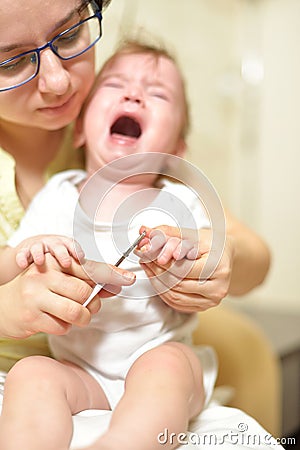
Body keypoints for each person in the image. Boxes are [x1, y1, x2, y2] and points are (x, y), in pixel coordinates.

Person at [0, 39, 222, 450]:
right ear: (80, 130)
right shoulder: (58, 194)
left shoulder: (180, 202)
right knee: (31, 372)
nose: (134, 94)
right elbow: (7, 268)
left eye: (157, 94)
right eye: (116, 84)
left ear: (175, 151)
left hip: (158, 355)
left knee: (168, 369)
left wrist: (179, 255)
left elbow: (206, 260)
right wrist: (26, 252)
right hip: (78, 369)